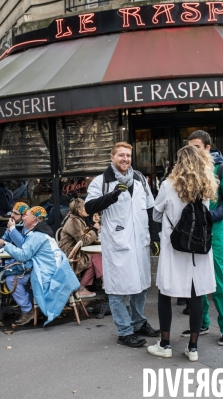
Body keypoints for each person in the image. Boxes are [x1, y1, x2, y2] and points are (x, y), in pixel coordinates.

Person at [85, 142, 160, 348]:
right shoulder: (101, 182)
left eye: (128, 155)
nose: (125, 159)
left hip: (140, 242)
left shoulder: (140, 180)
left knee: (141, 287)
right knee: (117, 290)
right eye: (121, 155)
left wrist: (154, 237)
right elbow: (89, 206)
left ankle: (137, 322)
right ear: (112, 157)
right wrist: (112, 196)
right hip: (118, 244)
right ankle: (124, 331)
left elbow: (150, 209)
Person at [147, 145, 217, 361]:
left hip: (174, 247)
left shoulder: (168, 185)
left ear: (178, 162)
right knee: (196, 296)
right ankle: (193, 348)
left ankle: (165, 344)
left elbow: (156, 215)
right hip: (198, 249)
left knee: (165, 293)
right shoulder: (206, 186)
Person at [184, 130, 223, 346]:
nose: (192, 151)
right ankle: (201, 324)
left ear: (208, 147)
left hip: (214, 233)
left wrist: (207, 217)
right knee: (195, 281)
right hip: (193, 233)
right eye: (190, 147)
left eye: (196, 146)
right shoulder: (187, 171)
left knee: (219, 280)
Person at [0, 206, 79, 326]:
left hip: (47, 273)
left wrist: (4, 243)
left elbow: (23, 255)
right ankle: (32, 306)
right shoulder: (41, 232)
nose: (23, 217)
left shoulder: (36, 235)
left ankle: (28, 310)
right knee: (14, 273)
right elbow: (26, 250)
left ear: (34, 219)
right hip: (56, 270)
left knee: (11, 279)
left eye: (26, 215)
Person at [0, 202, 33, 325]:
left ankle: (26, 307)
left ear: (24, 216)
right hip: (10, 260)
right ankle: (14, 298)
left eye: (15, 213)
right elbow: (3, 242)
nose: (11, 215)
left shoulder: (27, 227)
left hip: (24, 263)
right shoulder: (11, 225)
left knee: (9, 278)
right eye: (11, 212)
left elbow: (23, 246)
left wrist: (13, 229)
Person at [58, 198, 99, 298]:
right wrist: (94, 230)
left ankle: (86, 287)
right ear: (79, 210)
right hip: (70, 254)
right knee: (94, 259)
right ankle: (83, 288)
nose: (87, 209)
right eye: (85, 207)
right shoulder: (73, 222)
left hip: (75, 251)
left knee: (95, 257)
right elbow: (83, 241)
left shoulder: (77, 220)